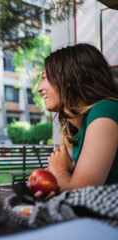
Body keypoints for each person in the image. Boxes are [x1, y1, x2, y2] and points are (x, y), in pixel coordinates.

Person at [33, 43, 118, 198]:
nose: (40, 88)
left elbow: (82, 192)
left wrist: (60, 172)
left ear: (69, 78)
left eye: (45, 78)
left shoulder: (106, 110)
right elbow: (54, 179)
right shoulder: (72, 131)